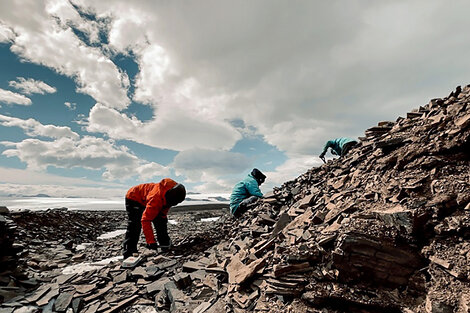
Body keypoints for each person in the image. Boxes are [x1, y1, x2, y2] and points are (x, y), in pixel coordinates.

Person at [123, 178, 186, 258]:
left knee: (161, 221)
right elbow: (145, 220)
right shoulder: (156, 198)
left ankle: (165, 245)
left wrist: (162, 220)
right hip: (134, 197)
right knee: (135, 224)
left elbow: (163, 214)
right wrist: (151, 242)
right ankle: (129, 252)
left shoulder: (172, 195)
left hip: (149, 198)